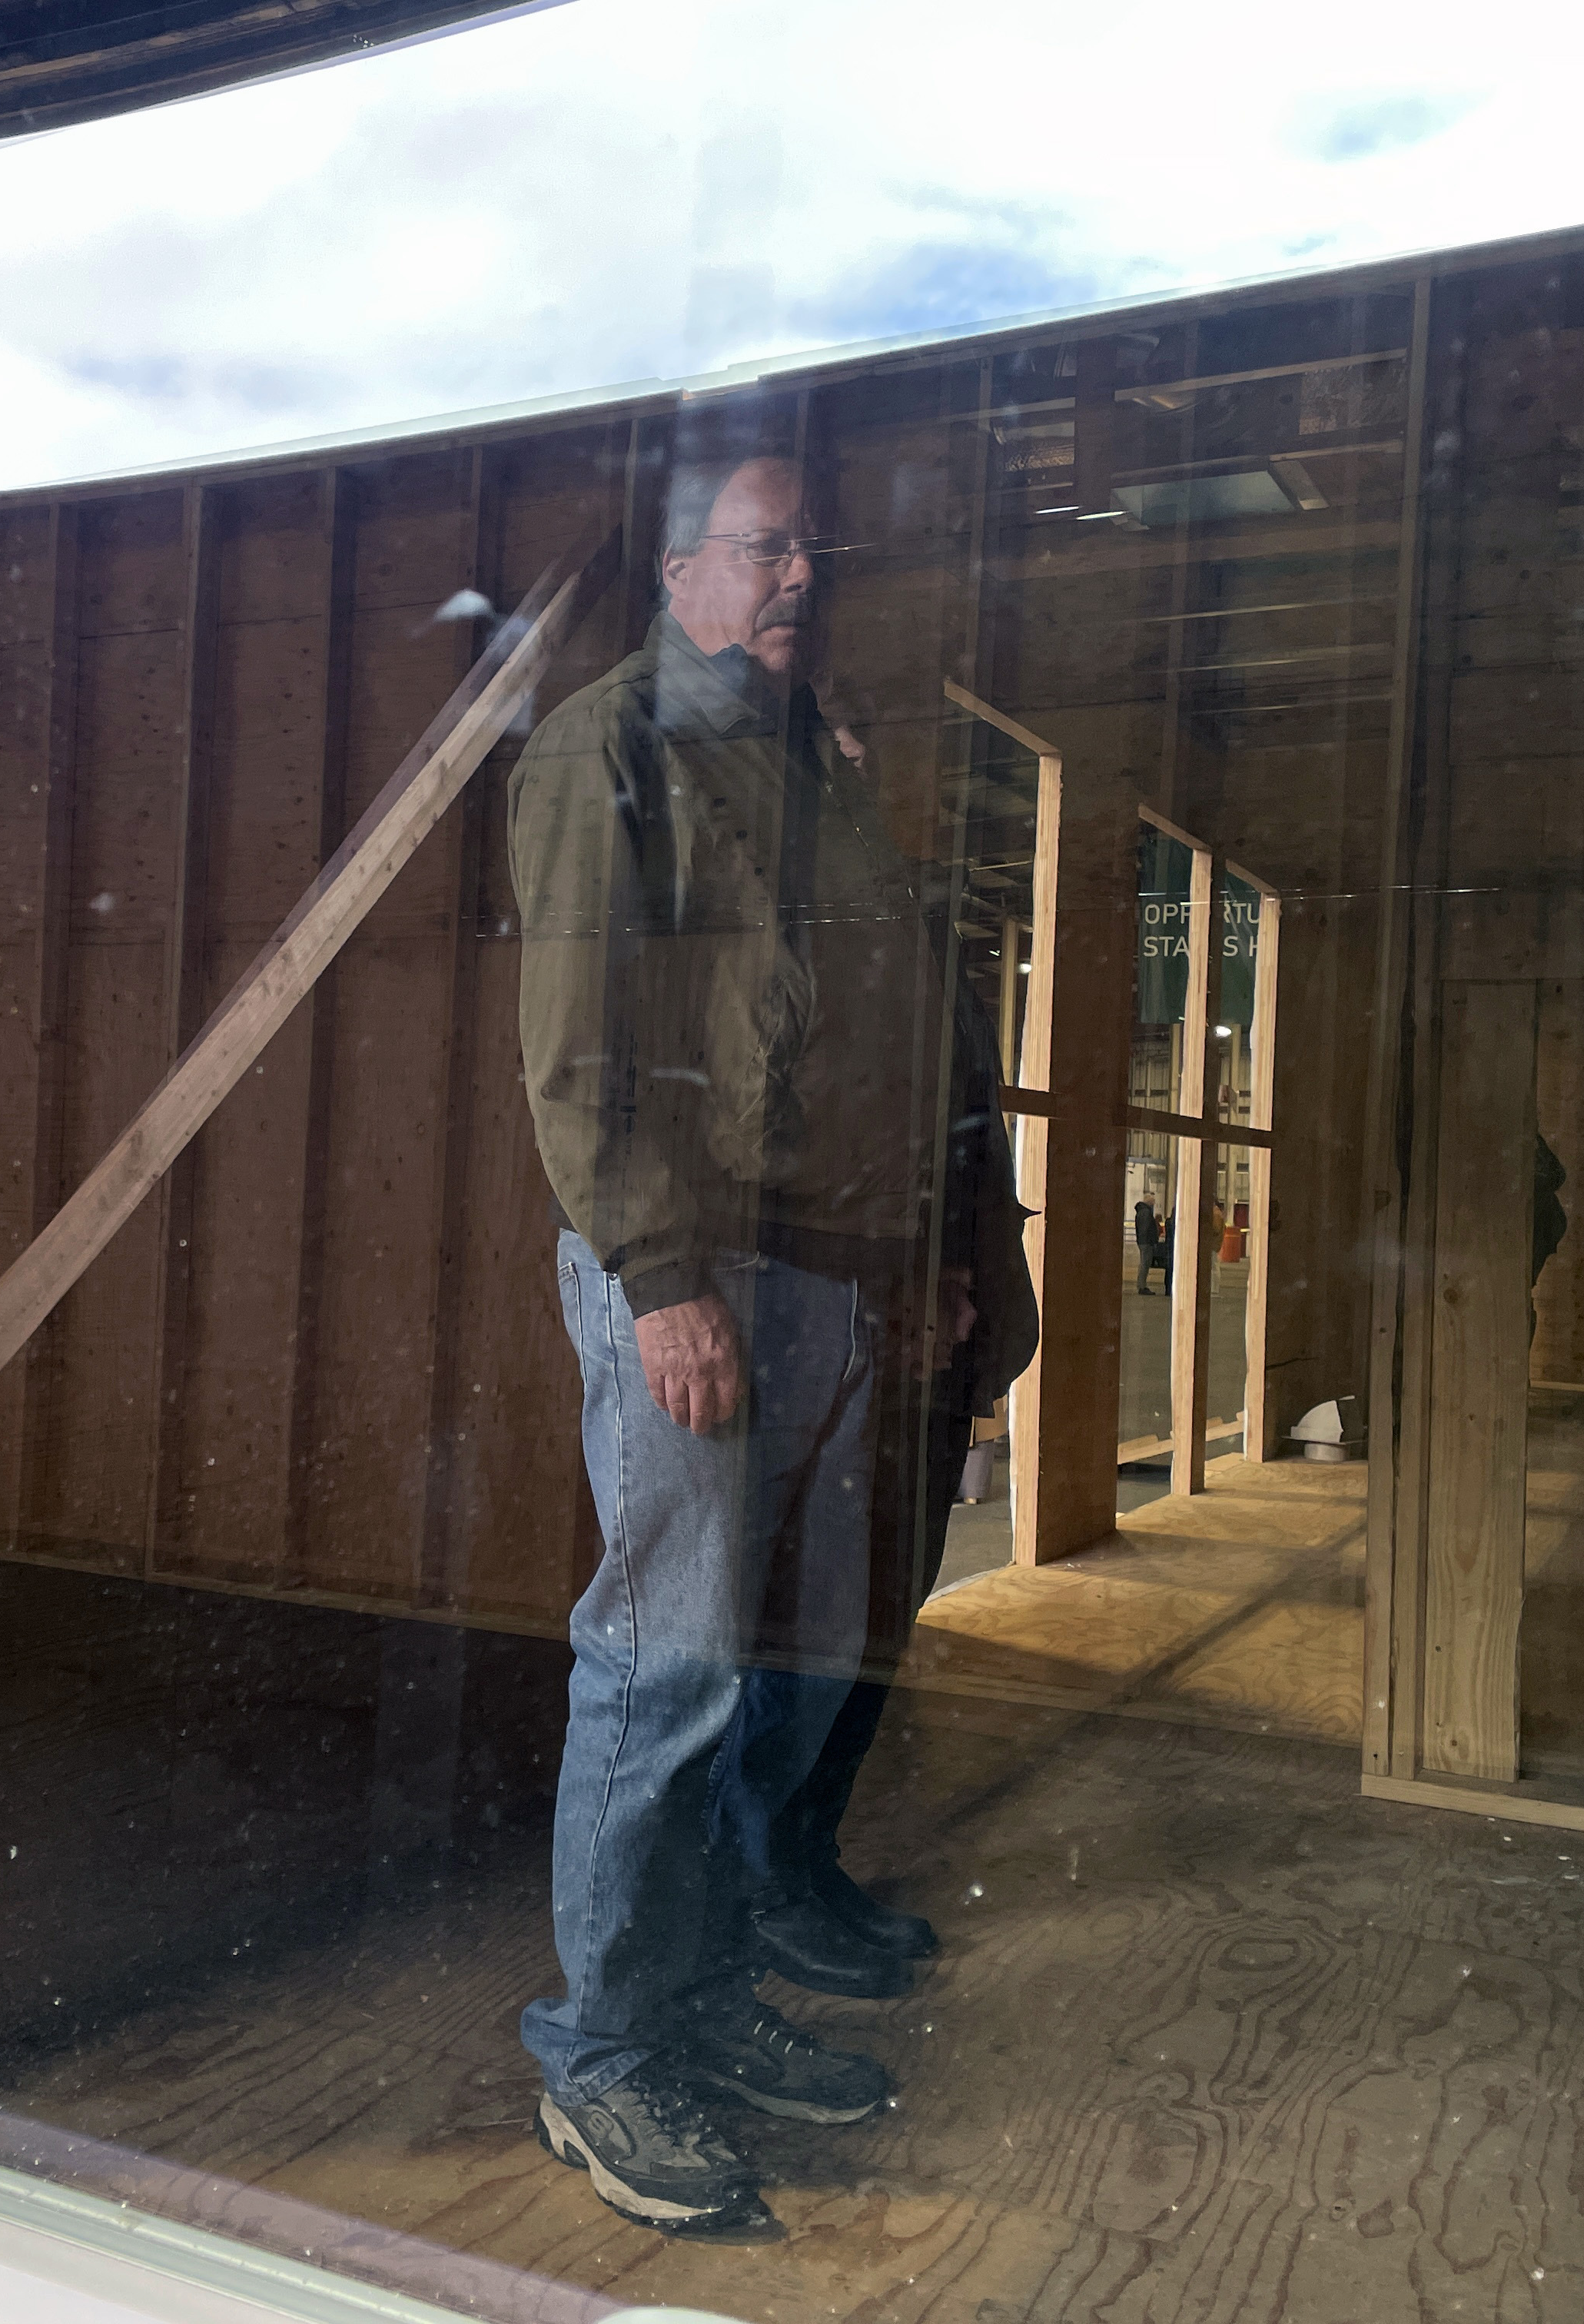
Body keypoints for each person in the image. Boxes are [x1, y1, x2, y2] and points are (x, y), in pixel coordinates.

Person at [508, 443, 1036, 2234]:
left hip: (827, 1280)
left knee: (767, 1662)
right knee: (663, 1666)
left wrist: (910, 1264)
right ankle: (596, 2061)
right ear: (680, 573)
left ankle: (695, 2000)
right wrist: (660, 1280)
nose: (803, 573)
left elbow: (879, 1043)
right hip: (703, 1279)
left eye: (820, 546)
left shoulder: (812, 769)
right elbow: (580, 1052)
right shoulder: (609, 752)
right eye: (766, 546)